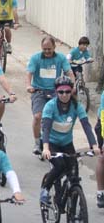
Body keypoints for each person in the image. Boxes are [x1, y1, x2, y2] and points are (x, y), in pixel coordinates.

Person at [39, 76, 99, 204]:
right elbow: (46, 129)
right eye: (61, 92)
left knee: (74, 171)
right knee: (59, 165)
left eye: (67, 91)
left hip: (67, 143)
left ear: (71, 91)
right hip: (51, 143)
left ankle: (73, 196)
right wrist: (45, 148)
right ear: (56, 92)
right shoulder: (50, 106)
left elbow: (86, 126)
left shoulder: (76, 106)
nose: (64, 95)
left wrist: (94, 145)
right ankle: (45, 189)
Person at [26, 36, 74, 155]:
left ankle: (53, 142)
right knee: (38, 116)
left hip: (55, 91)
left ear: (54, 47)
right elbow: (29, 73)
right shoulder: (36, 58)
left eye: (49, 49)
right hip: (39, 91)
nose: (47, 51)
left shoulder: (61, 58)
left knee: (55, 117)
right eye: (44, 49)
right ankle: (37, 142)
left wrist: (72, 86)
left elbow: (69, 73)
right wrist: (28, 85)